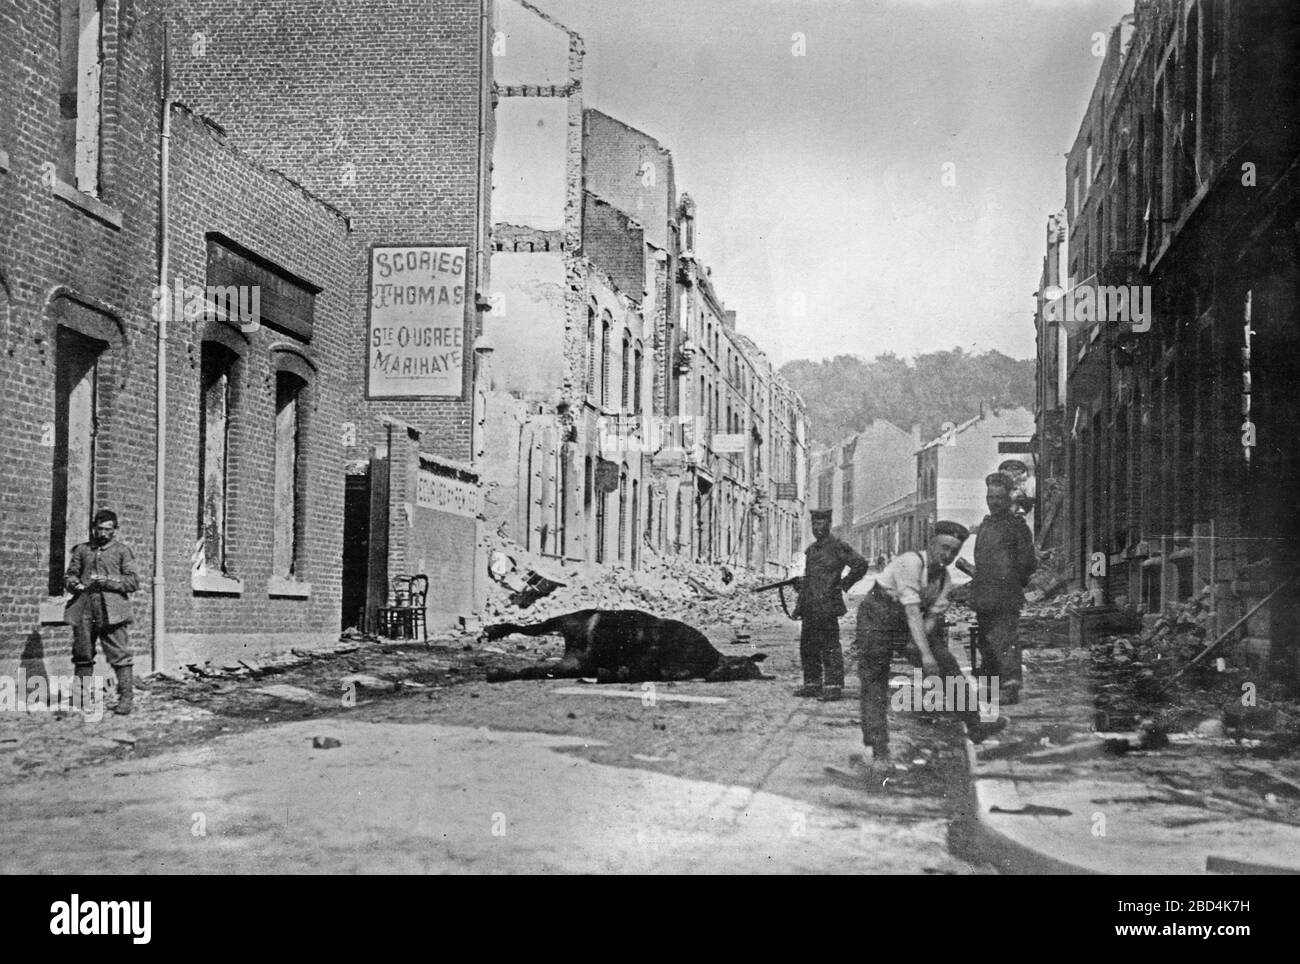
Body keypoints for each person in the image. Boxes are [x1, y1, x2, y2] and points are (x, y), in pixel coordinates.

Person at [847, 521, 1007, 776]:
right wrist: (924, 655)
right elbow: (912, 611)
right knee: (875, 678)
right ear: (931, 544)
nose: (948, 555)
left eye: (954, 551)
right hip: (878, 613)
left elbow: (929, 620)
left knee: (947, 663)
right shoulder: (910, 563)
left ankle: (975, 724)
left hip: (909, 620)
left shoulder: (944, 580)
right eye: (944, 548)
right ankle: (879, 752)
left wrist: (925, 651)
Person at [970, 472, 1037, 705]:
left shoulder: (1017, 526)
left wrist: (1011, 581)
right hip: (984, 596)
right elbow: (980, 558)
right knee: (986, 641)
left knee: (1005, 640)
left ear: (1008, 497)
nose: (993, 502)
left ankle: (1010, 686)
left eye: (998, 497)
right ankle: (992, 686)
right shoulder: (986, 526)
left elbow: (1028, 562)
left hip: (1006, 595)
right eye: (990, 497)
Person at [65, 509, 140, 715]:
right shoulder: (81, 550)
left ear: (115, 530)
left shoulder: (122, 552)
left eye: (108, 530)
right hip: (85, 608)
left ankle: (125, 698)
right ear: (93, 529)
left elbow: (133, 581)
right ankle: (80, 698)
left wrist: (109, 582)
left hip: (112, 610)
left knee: (120, 655)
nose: (104, 533)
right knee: (82, 653)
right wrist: (74, 584)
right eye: (100, 529)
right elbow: (70, 575)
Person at [792, 509, 868, 702]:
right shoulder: (811, 550)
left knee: (829, 645)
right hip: (809, 603)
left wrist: (843, 585)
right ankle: (812, 683)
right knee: (807, 644)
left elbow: (860, 564)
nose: (817, 528)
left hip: (827, 604)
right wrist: (801, 583)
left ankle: (833, 686)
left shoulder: (837, 546)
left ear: (829, 524)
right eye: (814, 524)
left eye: (821, 524)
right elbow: (813, 577)